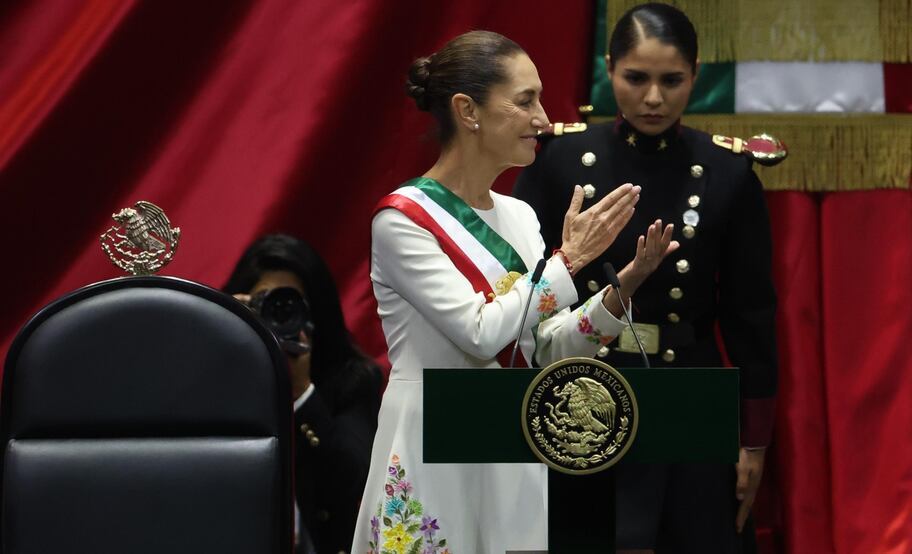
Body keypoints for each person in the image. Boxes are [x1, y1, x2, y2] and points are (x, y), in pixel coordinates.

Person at [349, 30, 678, 554]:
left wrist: (624, 286)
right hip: (433, 438)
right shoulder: (402, 220)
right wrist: (568, 262)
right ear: (467, 110)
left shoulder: (521, 216)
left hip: (509, 438)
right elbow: (481, 335)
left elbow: (545, 350)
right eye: (525, 101)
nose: (544, 119)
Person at [513, 2, 779, 553]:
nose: (653, 98)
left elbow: (752, 316)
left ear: (696, 76)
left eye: (671, 80)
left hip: (689, 388)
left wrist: (753, 442)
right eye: (636, 78)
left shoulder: (728, 172)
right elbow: (526, 298)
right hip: (579, 391)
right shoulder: (560, 162)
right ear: (609, 69)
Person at [225, 234, 383, 554]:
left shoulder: (352, 379)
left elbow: (352, 482)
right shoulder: (220, 379)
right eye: (263, 303)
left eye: (289, 305)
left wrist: (301, 392)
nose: (276, 316)